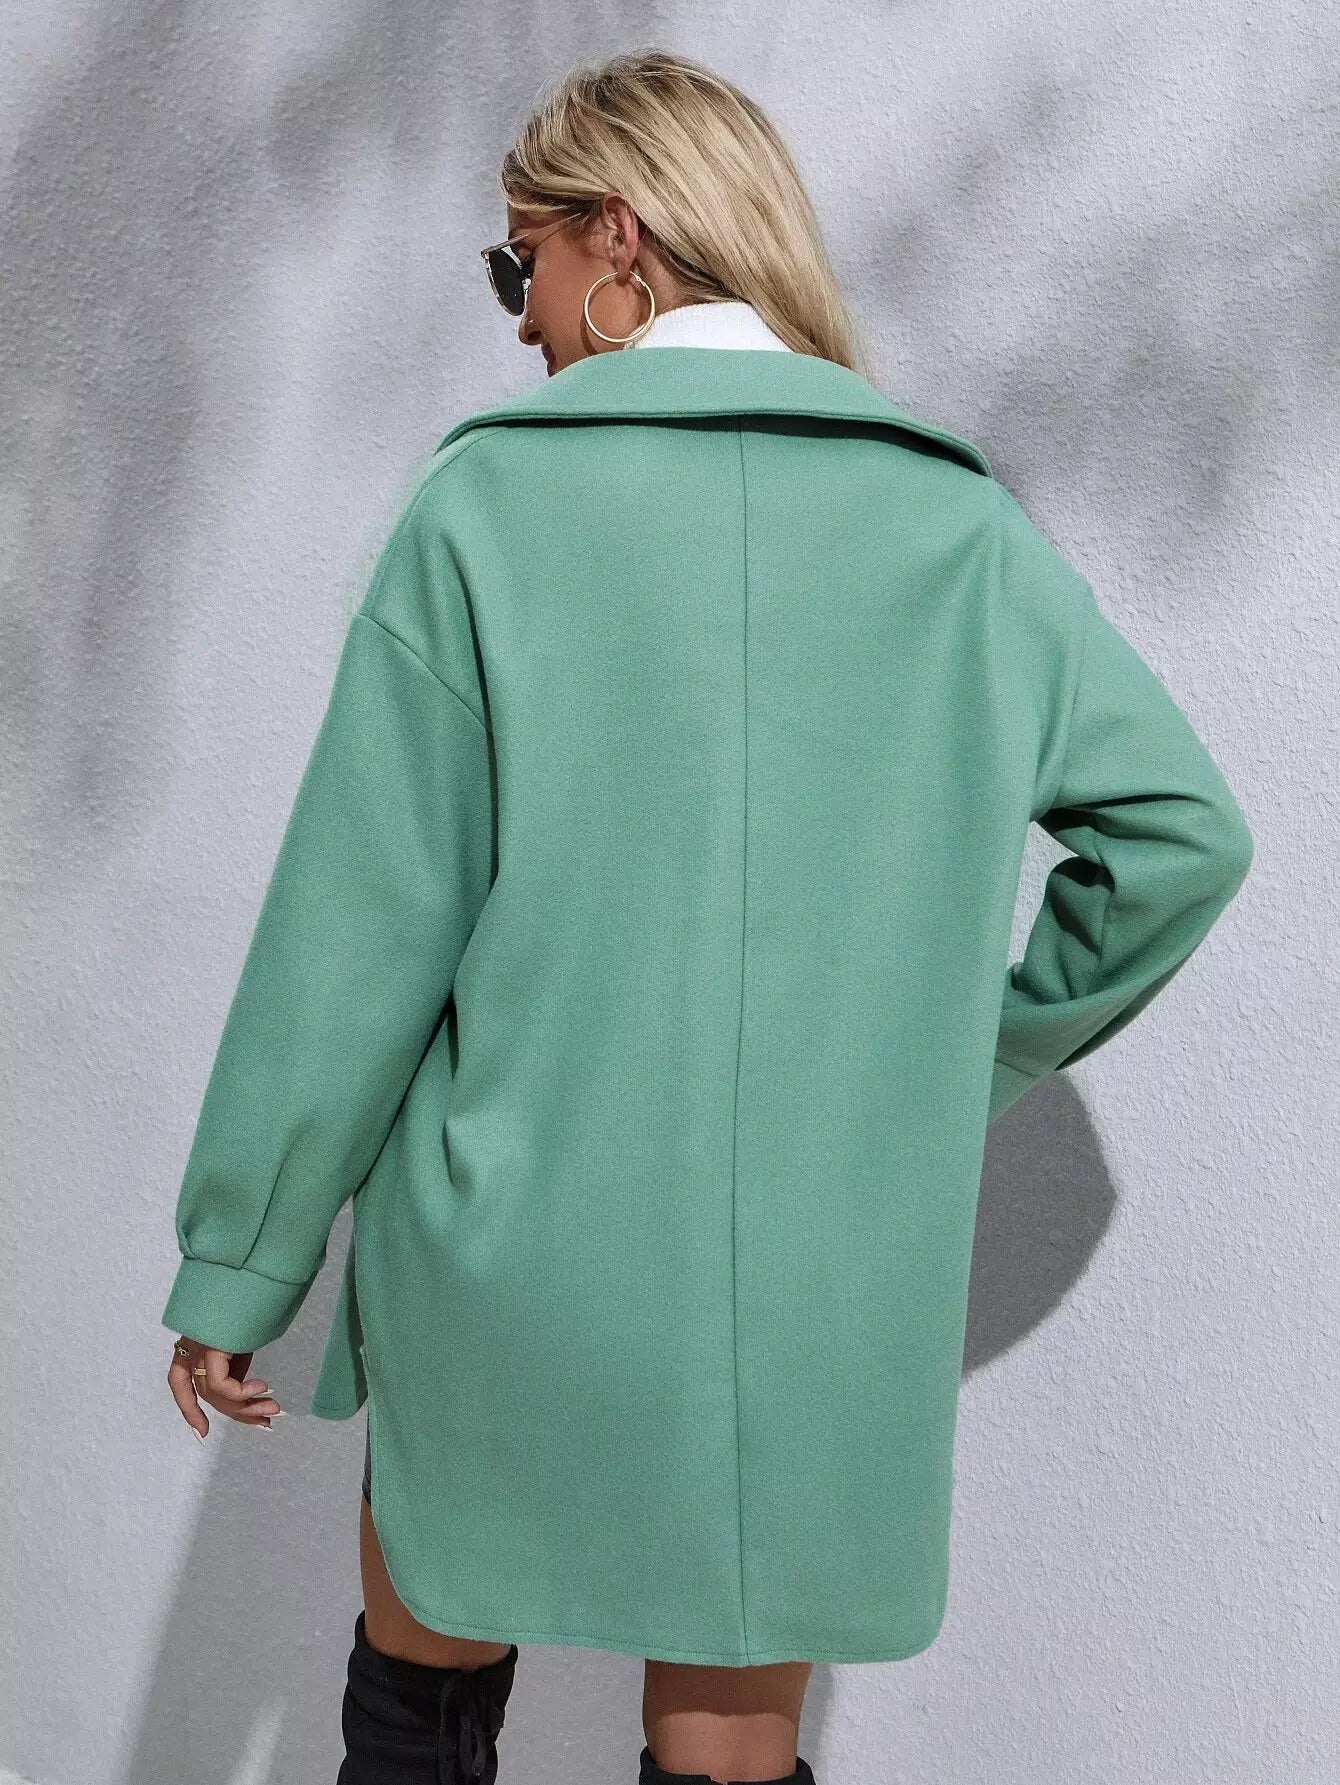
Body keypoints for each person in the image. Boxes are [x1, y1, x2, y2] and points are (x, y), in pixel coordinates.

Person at [161, 47, 1254, 1785]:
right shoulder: (957, 529)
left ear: (619, 236)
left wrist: (245, 1249)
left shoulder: (488, 506)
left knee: (419, 1701)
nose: (524, 322)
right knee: (727, 1753)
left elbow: (359, 931)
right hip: (810, 1301)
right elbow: (1182, 840)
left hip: (506, 1256)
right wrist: (942, 1063)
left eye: (520, 266)